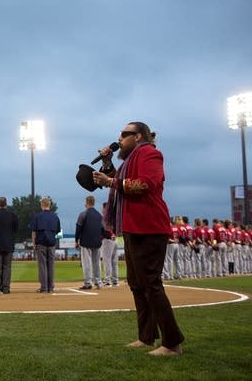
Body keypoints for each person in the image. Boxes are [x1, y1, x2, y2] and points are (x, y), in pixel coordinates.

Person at [92, 121, 184, 356]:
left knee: (151, 284)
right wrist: (106, 164)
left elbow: (144, 184)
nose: (120, 138)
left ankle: (172, 342)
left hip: (149, 227)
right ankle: (146, 337)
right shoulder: (129, 160)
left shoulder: (150, 154)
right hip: (134, 226)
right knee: (137, 284)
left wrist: (110, 181)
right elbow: (119, 181)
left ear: (138, 136)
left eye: (125, 134)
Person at [31, 197, 60, 293]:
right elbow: (58, 231)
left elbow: (34, 231)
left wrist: (34, 243)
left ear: (42, 205)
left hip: (41, 243)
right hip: (52, 243)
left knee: (42, 265)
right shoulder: (55, 216)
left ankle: (44, 287)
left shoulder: (37, 216)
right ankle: (51, 287)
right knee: (51, 265)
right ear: (49, 205)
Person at [75, 195, 103, 290]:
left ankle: (88, 283)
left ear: (86, 202)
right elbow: (102, 229)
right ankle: (98, 282)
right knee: (96, 263)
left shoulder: (83, 214)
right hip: (97, 241)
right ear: (94, 202)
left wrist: (76, 240)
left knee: (86, 263)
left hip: (86, 241)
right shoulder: (99, 215)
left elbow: (78, 228)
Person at [100, 203, 119, 287]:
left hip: (108, 240)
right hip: (115, 240)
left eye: (103, 208)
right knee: (114, 261)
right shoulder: (114, 217)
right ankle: (115, 280)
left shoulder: (105, 218)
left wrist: (110, 235)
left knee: (107, 260)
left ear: (105, 209)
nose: (102, 210)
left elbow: (105, 229)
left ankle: (107, 280)